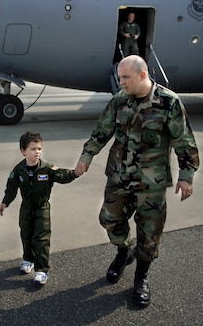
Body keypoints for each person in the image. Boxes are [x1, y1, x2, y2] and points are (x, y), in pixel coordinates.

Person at [75, 55, 199, 307]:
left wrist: (187, 177)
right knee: (108, 218)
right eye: (120, 77)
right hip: (119, 176)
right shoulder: (120, 100)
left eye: (125, 77)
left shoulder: (168, 102)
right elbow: (102, 131)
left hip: (151, 182)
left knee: (149, 233)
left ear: (142, 75)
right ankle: (124, 251)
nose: (121, 82)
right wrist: (86, 156)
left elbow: (184, 142)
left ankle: (141, 278)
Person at [0, 131, 80, 285]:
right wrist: (5, 202)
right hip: (26, 207)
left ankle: (42, 270)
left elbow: (62, 175)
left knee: (41, 238)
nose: (37, 152)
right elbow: (11, 188)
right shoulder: (18, 170)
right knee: (26, 234)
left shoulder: (47, 168)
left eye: (39, 149)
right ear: (23, 151)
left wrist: (75, 173)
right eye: (33, 149)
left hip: (42, 208)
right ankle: (28, 259)